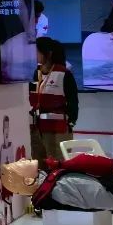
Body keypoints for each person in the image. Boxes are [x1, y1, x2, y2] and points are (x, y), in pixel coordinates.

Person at [31, 37, 79, 166]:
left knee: (58, 165)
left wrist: (70, 122)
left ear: (48, 53)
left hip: (58, 129)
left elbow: (73, 102)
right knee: (38, 166)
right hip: (37, 129)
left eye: (37, 51)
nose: (34, 55)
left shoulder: (64, 74)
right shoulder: (36, 73)